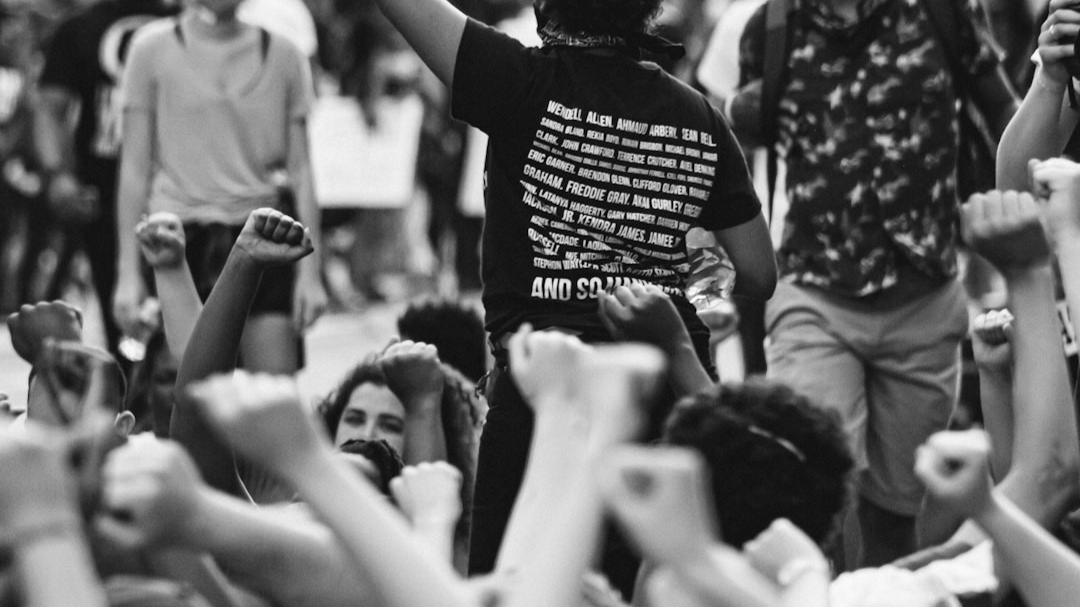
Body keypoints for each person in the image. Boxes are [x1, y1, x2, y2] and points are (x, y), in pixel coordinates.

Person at [365, 0, 778, 577]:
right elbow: (758, 273)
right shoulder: (699, 116)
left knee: (512, 585)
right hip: (663, 394)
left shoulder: (515, 79)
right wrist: (685, 296)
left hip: (541, 397)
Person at [727, 0, 1018, 566]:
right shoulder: (771, 27)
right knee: (809, 500)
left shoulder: (945, 12)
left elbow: (1006, 114)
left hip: (925, 300)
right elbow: (741, 135)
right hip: (814, 296)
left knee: (894, 517)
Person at [113, 0, 328, 376]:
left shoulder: (284, 54)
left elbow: (302, 170)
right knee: (188, 395)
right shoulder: (151, 49)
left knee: (272, 399)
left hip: (264, 230)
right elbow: (134, 168)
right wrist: (127, 273)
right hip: (179, 237)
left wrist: (312, 275)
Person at [33, 0, 179, 357]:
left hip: (183, 196)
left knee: (186, 332)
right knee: (127, 331)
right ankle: (133, 406)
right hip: (104, 200)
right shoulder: (78, 30)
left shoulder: (184, 23)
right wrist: (57, 176)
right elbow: (50, 109)